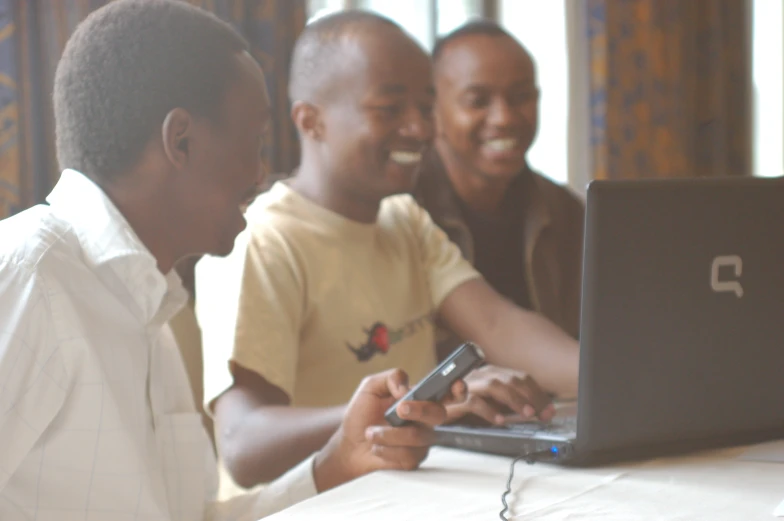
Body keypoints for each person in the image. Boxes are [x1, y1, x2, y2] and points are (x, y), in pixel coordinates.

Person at [0, 2, 463, 519]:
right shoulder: (30, 274)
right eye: (256, 140)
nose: (262, 172)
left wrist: (336, 462)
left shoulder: (146, 308)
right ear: (181, 141)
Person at [195, 10, 580, 491]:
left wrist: (618, 378)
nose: (420, 129)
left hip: (402, 494)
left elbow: (500, 325)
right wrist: (410, 407)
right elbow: (243, 446)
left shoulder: (404, 220)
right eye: (390, 109)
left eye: (425, 107)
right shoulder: (263, 242)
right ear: (311, 121)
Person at [414, 20, 585, 360]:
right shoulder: (405, 212)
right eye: (478, 101)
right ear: (433, 109)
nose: (504, 118)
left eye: (521, 97)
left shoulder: (565, 211)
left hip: (552, 401)